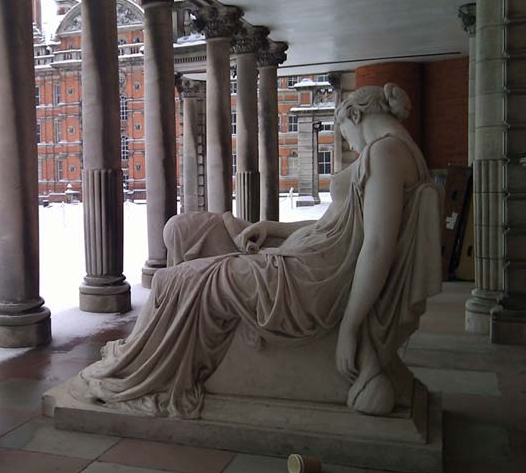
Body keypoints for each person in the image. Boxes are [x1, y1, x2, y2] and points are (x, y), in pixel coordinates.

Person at [70, 83, 442, 418]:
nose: (348, 144)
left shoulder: (386, 155)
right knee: (185, 231)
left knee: (181, 280)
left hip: (310, 280)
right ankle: (160, 354)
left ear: (356, 115)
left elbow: (376, 247)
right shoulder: (394, 153)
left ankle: (149, 367)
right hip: (304, 259)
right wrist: (273, 228)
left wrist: (351, 327)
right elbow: (335, 226)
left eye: (344, 134)